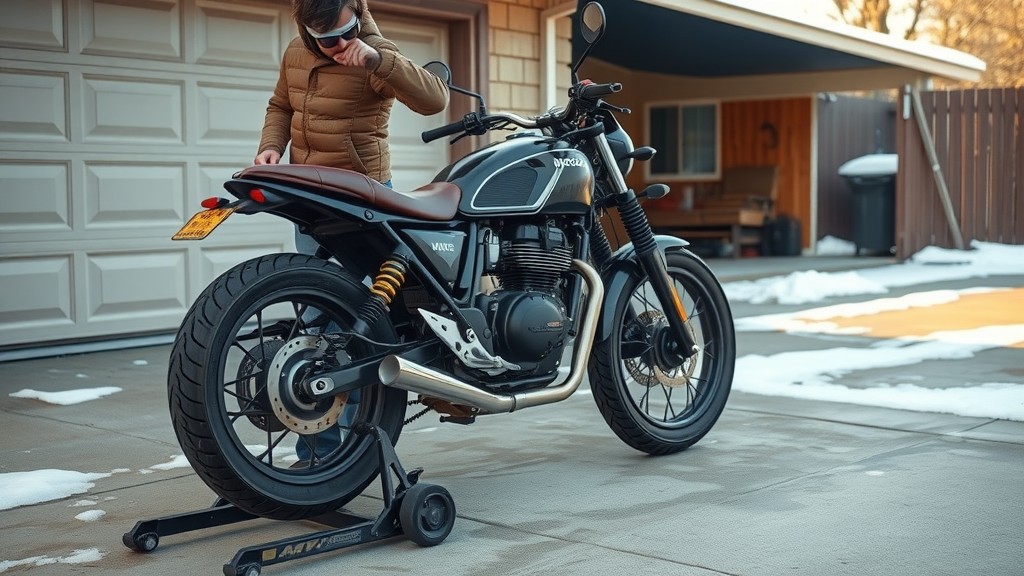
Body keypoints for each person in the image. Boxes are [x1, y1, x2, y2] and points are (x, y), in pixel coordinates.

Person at [254, 0, 449, 463]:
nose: (341, 44)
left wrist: (378, 60)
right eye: (328, 39)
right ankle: (319, 455)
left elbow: (434, 100)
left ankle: (351, 451)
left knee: (358, 323)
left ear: (356, 13)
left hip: (364, 201)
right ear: (307, 30)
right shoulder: (295, 52)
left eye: (348, 31)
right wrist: (270, 146)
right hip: (311, 199)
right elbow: (280, 105)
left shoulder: (374, 52)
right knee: (314, 319)